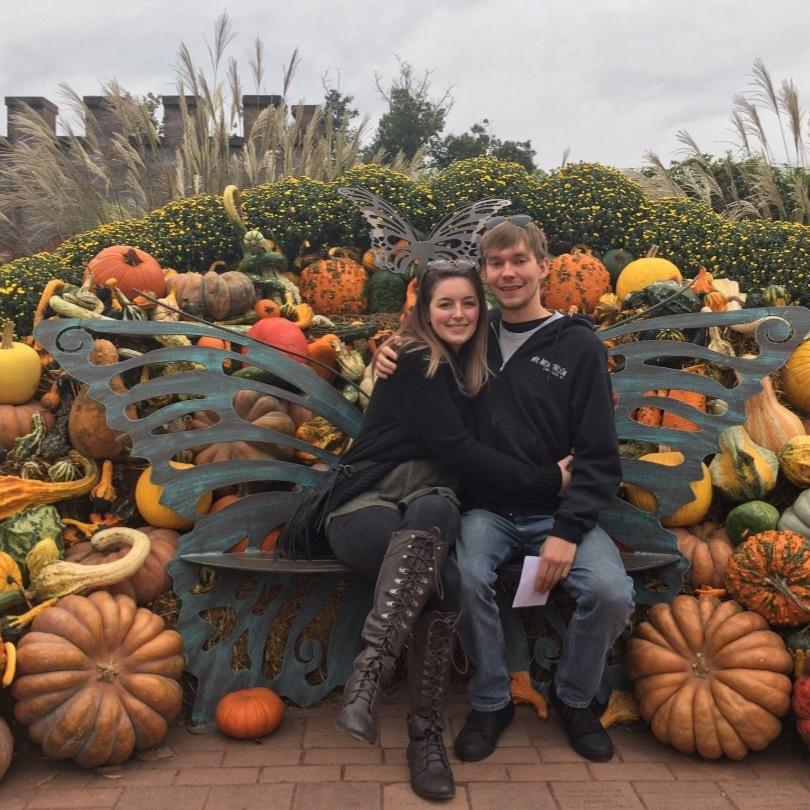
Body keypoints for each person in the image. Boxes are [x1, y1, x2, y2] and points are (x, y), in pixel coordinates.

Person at [288, 259, 568, 801]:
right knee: (443, 578)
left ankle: (373, 685)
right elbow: (458, 449)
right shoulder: (416, 358)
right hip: (366, 496)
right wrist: (545, 479)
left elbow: (534, 339)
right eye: (445, 304)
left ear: (481, 309)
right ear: (424, 311)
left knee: (436, 518)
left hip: (430, 498)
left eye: (468, 303)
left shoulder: (479, 358)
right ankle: (421, 729)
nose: (458, 313)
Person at [375, 217, 633, 764]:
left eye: (519, 261)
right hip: (486, 511)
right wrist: (388, 350)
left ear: (544, 267)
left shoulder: (578, 345)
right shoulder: (472, 333)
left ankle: (574, 698)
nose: (508, 273)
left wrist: (567, 532)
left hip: (558, 511)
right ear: (486, 272)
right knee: (465, 579)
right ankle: (492, 701)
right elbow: (423, 342)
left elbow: (599, 454)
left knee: (611, 593)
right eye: (496, 263)